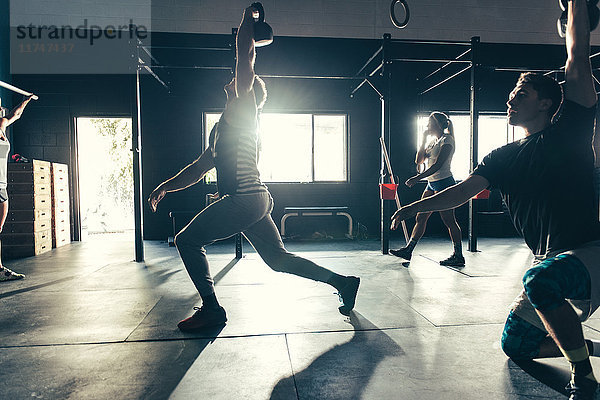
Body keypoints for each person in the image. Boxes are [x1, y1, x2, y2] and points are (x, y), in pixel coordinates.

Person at [391, 1, 600, 399]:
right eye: (510, 94)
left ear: (546, 103)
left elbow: (577, 56)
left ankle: (584, 378)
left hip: (589, 252)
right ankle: (587, 347)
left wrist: (576, 6)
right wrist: (411, 205)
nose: (510, 100)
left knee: (539, 280)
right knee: (515, 346)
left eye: (520, 94)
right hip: (552, 259)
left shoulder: (570, 129)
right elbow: (458, 192)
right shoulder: (502, 158)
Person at [148, 5, 360, 332]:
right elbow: (197, 169)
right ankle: (343, 282)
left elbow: (245, 56)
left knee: (187, 240)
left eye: (238, 77)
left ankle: (212, 309)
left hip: (245, 199)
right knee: (278, 260)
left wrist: (249, 17)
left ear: (247, 90)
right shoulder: (224, 128)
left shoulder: (244, 107)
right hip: (255, 199)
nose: (232, 78)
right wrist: (165, 186)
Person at [389, 112, 464, 266]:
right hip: (432, 183)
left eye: (429, 123)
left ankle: (458, 256)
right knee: (421, 217)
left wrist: (417, 178)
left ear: (437, 125)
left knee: (449, 220)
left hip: (444, 182)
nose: (427, 126)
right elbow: (419, 159)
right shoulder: (432, 142)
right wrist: (423, 139)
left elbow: (438, 166)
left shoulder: (447, 140)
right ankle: (408, 250)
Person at [0, 94, 34, 281]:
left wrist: (25, 100)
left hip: (2, 186)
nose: (1, 110)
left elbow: (16, 114)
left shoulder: (1, 126)